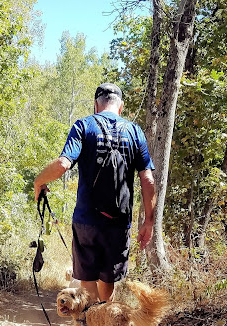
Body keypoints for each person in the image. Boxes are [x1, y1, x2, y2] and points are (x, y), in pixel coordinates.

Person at [33, 82, 156, 302]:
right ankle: (104, 318)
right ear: (121, 107)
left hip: (86, 220)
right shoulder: (135, 131)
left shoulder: (84, 126)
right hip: (119, 223)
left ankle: (88, 320)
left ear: (96, 105)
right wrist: (149, 221)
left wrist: (39, 181)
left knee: (87, 279)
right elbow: (147, 179)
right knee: (107, 281)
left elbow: (63, 164)